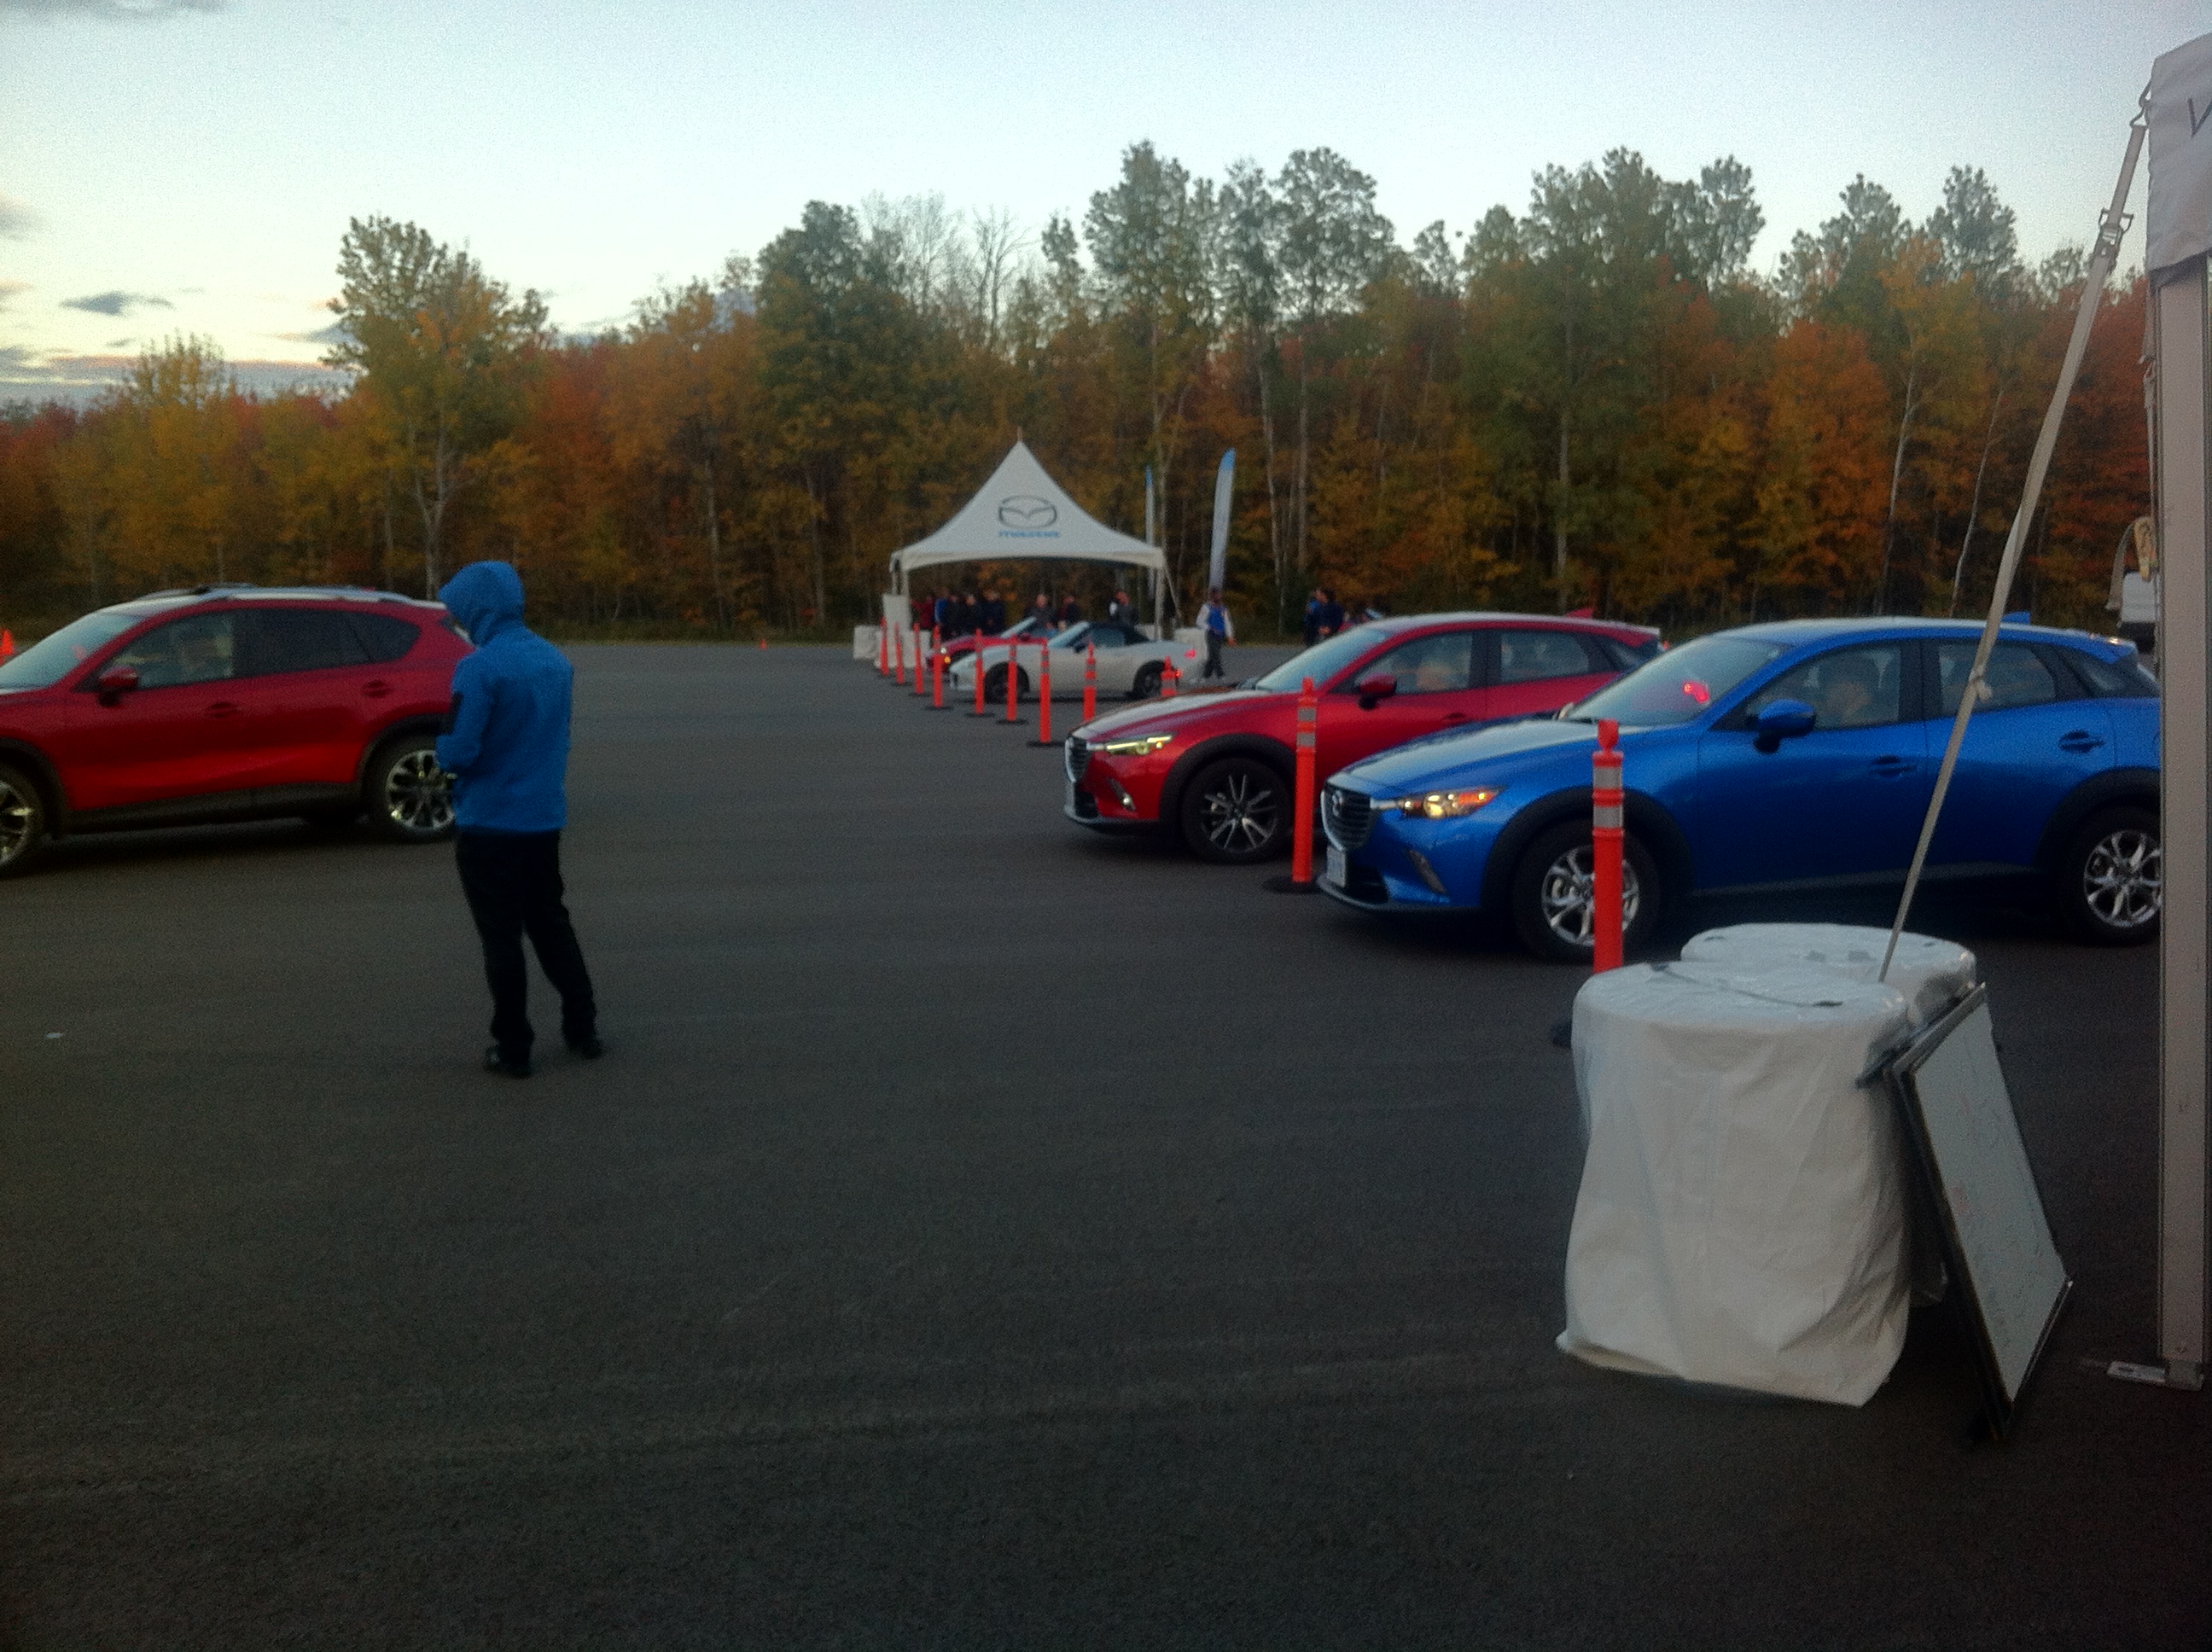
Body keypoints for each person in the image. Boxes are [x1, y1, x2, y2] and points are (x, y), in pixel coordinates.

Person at [435, 561, 599, 1079]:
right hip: (542, 818)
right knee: (551, 923)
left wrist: (443, 749)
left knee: (501, 937)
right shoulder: (554, 661)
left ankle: (513, 1046)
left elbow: (458, 752)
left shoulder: (480, 668)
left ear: (476, 609)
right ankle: (582, 1027)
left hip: (489, 824)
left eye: (458, 610)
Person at [1199, 587, 1234, 680]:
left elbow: (1227, 622)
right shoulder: (1206, 607)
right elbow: (1199, 621)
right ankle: (1221, 675)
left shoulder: (1223, 608)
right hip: (1211, 635)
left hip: (1220, 635)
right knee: (1216, 654)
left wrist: (1229, 636)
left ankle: (1205, 676)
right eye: (1217, 595)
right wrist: (1210, 628)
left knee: (1212, 656)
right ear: (1212, 596)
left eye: (1220, 594)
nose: (1219, 597)